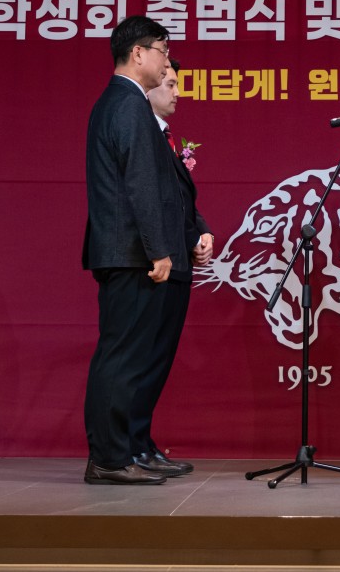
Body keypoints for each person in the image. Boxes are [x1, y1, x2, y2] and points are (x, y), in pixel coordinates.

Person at [81, 15, 189, 486]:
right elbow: (140, 184)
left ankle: (128, 449)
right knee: (122, 358)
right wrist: (158, 250)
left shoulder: (127, 103)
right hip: (130, 254)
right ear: (139, 53)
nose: (167, 63)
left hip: (131, 252)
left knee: (135, 359)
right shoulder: (126, 104)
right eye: (163, 52)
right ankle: (108, 457)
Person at [129, 59, 214, 475]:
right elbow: (147, 201)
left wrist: (202, 232)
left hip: (178, 263)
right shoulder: (142, 136)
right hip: (154, 264)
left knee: (158, 361)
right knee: (141, 360)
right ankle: (127, 448)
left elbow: (180, 202)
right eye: (171, 84)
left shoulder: (167, 139)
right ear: (149, 86)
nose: (179, 92)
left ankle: (142, 444)